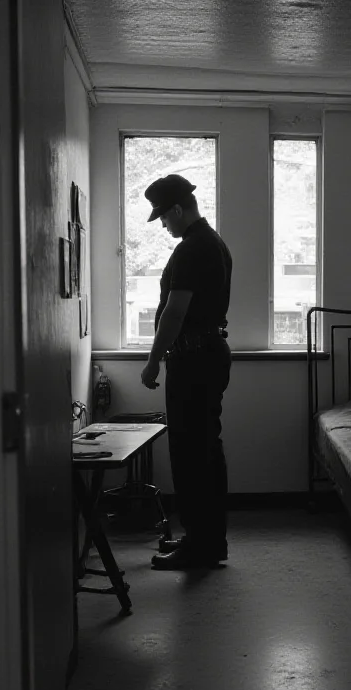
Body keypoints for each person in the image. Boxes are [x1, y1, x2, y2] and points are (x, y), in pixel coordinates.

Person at [141, 174, 232, 570]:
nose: (163, 225)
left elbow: (175, 312)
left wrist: (152, 359)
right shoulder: (211, 243)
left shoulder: (193, 248)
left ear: (178, 209)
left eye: (163, 216)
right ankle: (206, 538)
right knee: (204, 449)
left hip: (193, 360)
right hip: (205, 356)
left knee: (192, 452)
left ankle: (202, 543)